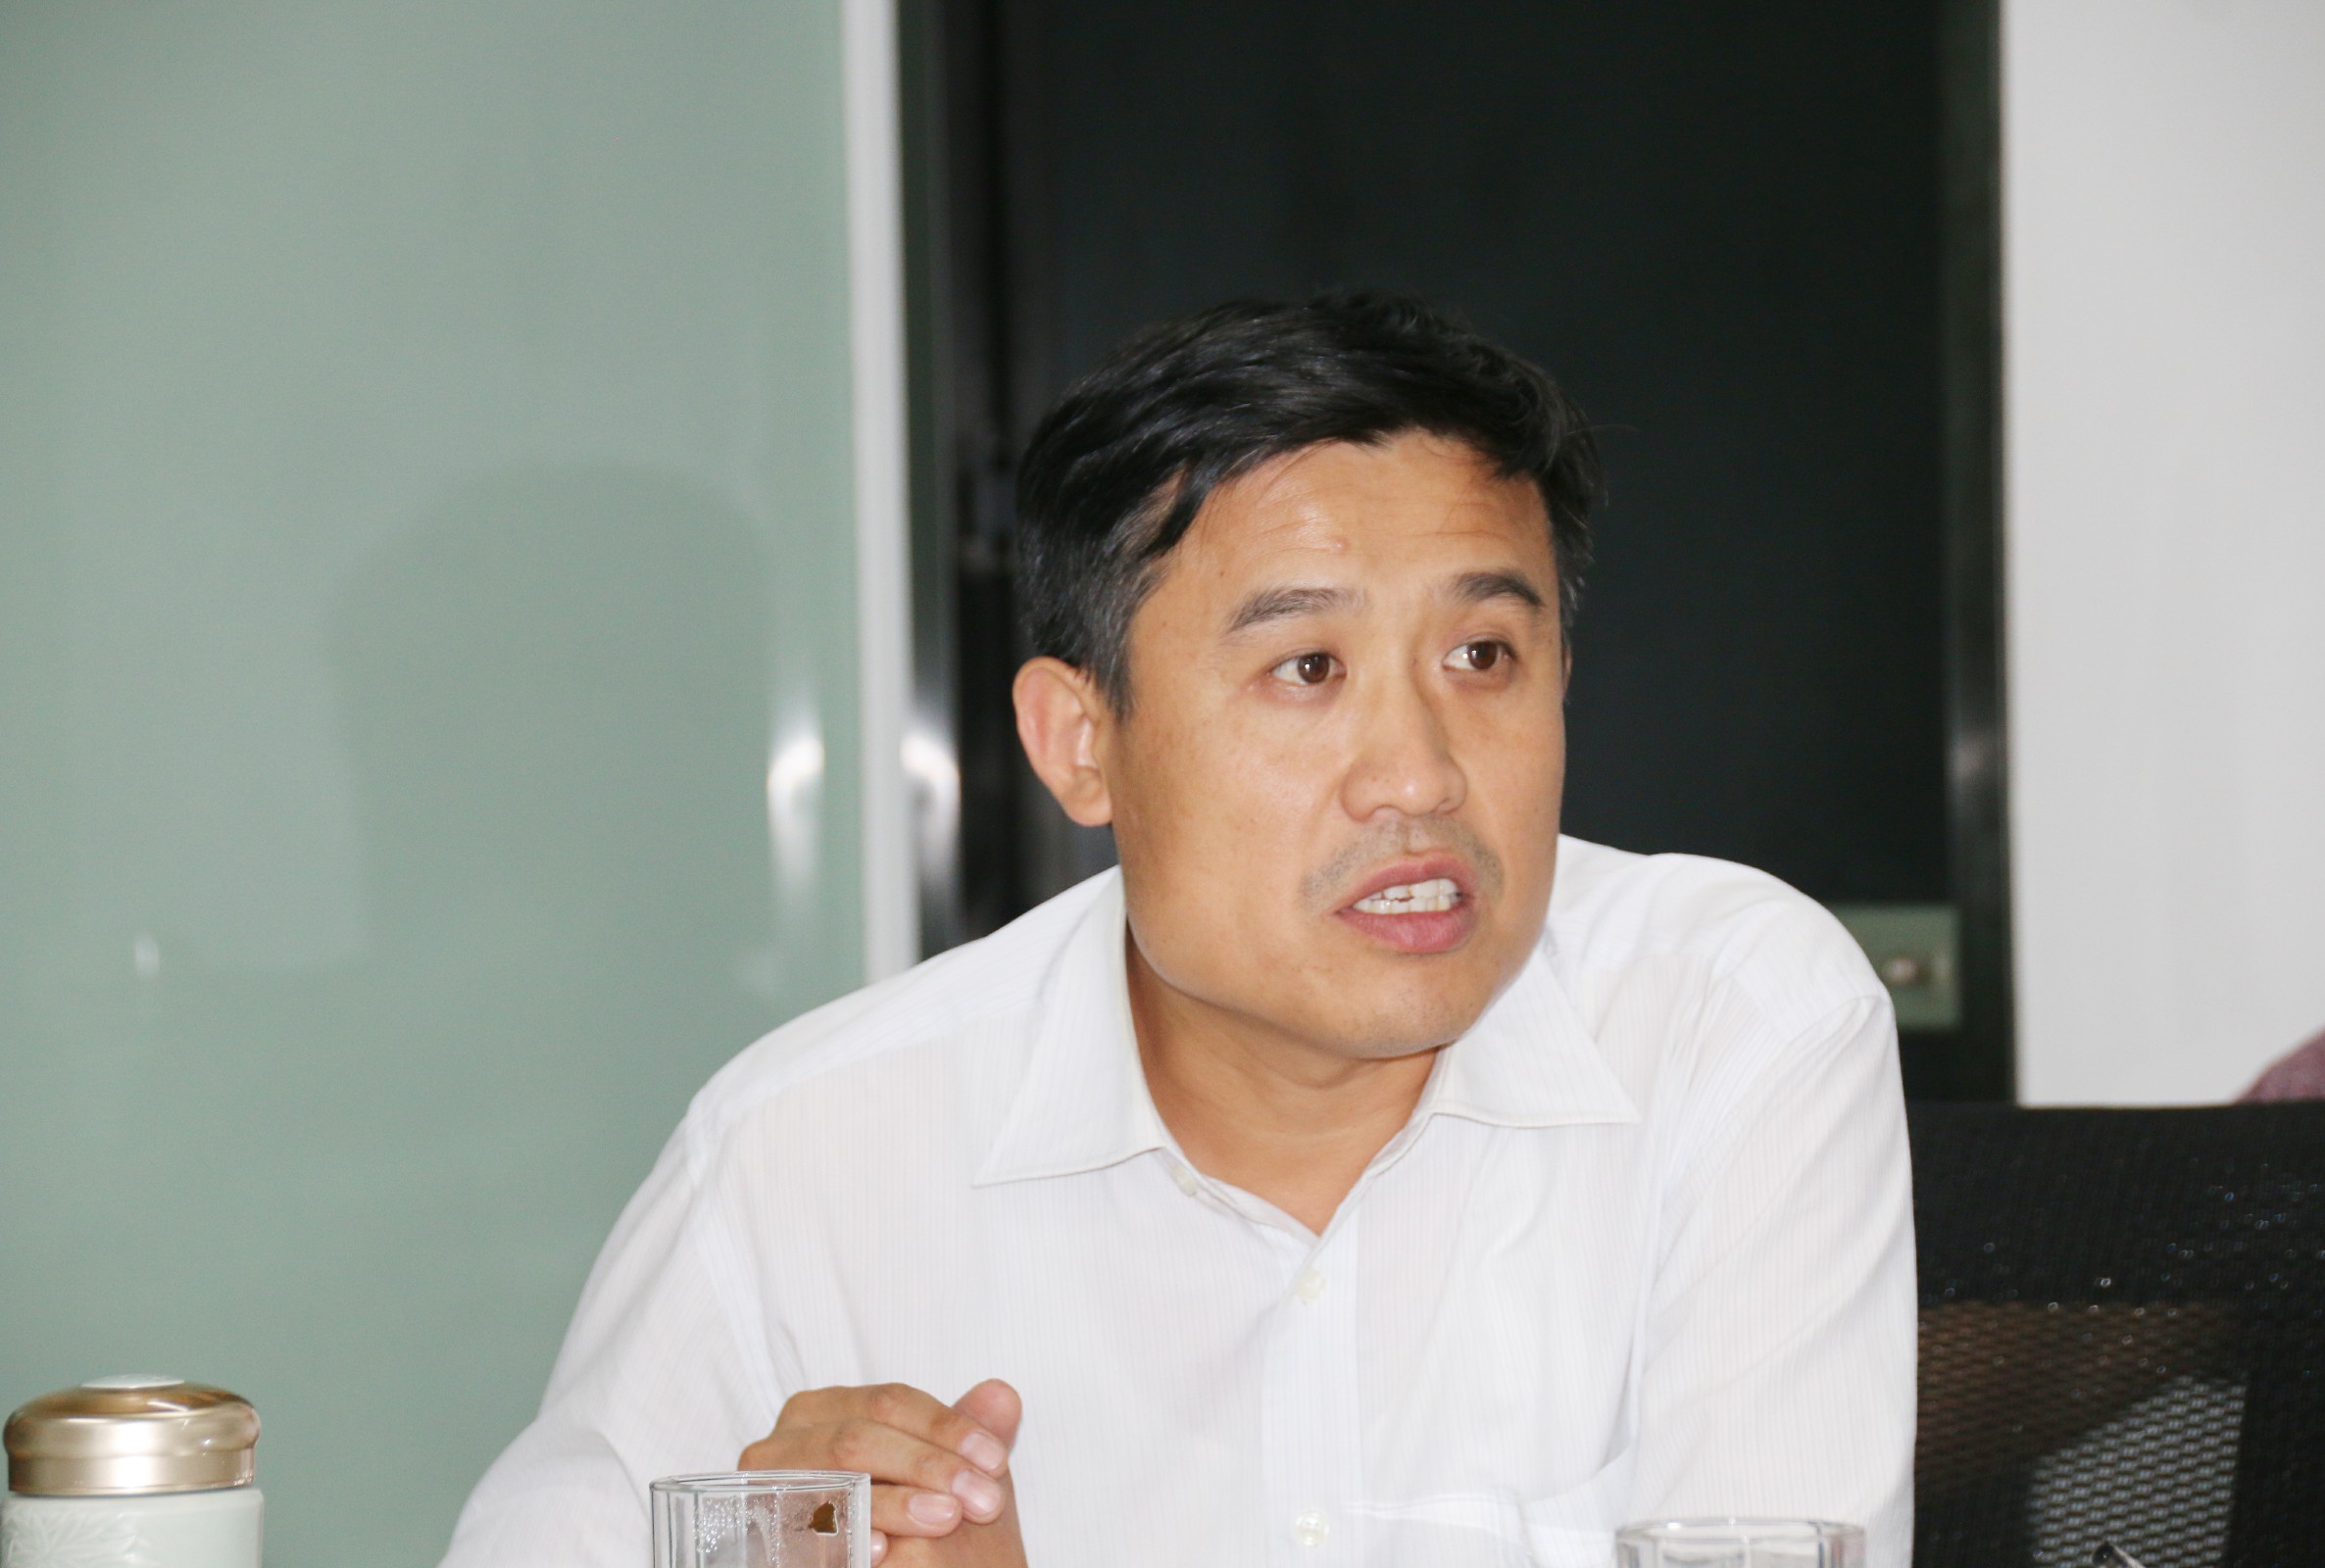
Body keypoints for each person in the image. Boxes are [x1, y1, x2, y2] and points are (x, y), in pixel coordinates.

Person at [438, 294, 1916, 1568]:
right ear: (1080, 743)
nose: (1419, 774)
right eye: (1307, 667)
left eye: (1483, 654)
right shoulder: (810, 1155)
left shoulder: (1728, 1020)